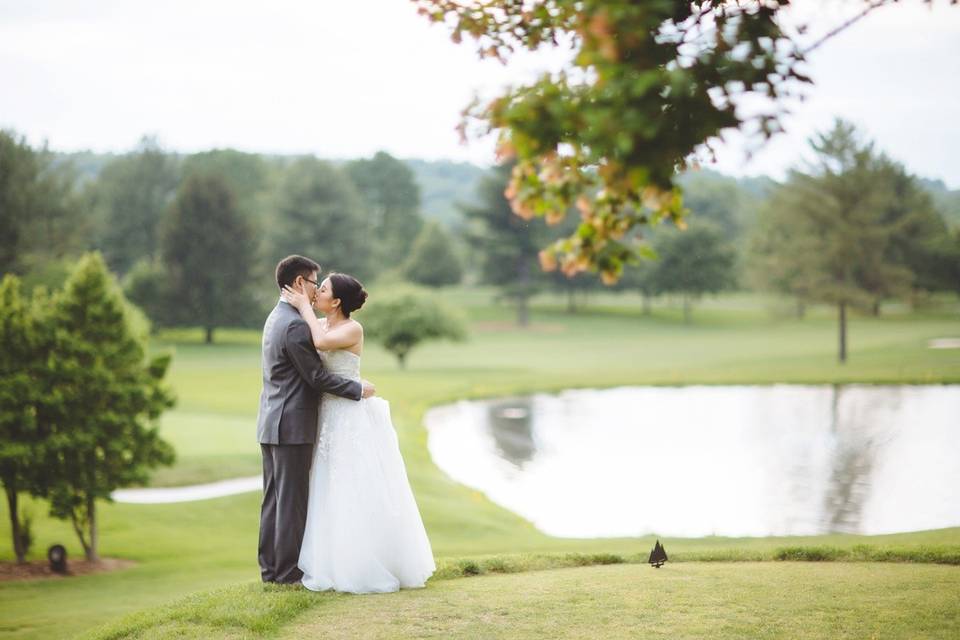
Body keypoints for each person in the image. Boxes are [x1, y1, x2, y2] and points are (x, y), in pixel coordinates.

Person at [281, 272, 436, 594]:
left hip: (348, 417)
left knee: (352, 484)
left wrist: (302, 307)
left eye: (321, 289)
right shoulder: (319, 323)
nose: (315, 293)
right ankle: (330, 561)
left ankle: (365, 565)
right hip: (324, 414)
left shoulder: (352, 328)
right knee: (325, 486)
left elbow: (322, 345)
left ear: (335, 301)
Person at [257, 255, 376, 584]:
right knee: (291, 504)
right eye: (313, 283)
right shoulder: (296, 324)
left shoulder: (277, 316)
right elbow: (316, 377)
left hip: (272, 421)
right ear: (298, 283)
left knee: (274, 501)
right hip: (291, 424)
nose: (314, 291)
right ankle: (286, 574)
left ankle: (271, 570)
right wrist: (356, 388)